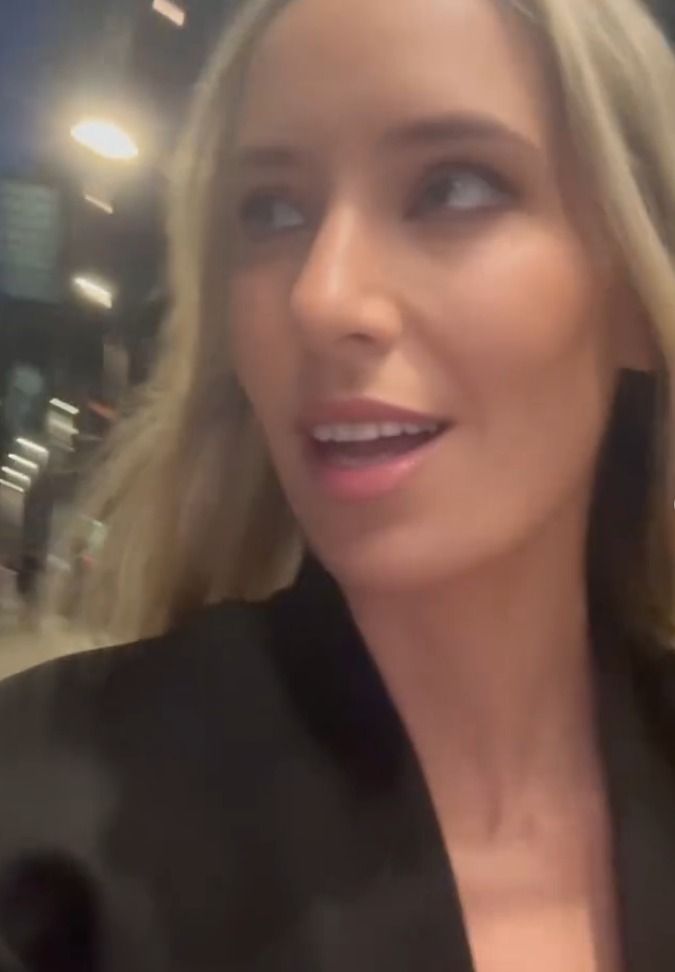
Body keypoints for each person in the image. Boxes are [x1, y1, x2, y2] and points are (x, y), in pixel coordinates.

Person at [0, 0, 674, 968]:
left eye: (452, 187)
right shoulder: (42, 817)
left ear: (636, 285)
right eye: (272, 211)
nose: (319, 297)